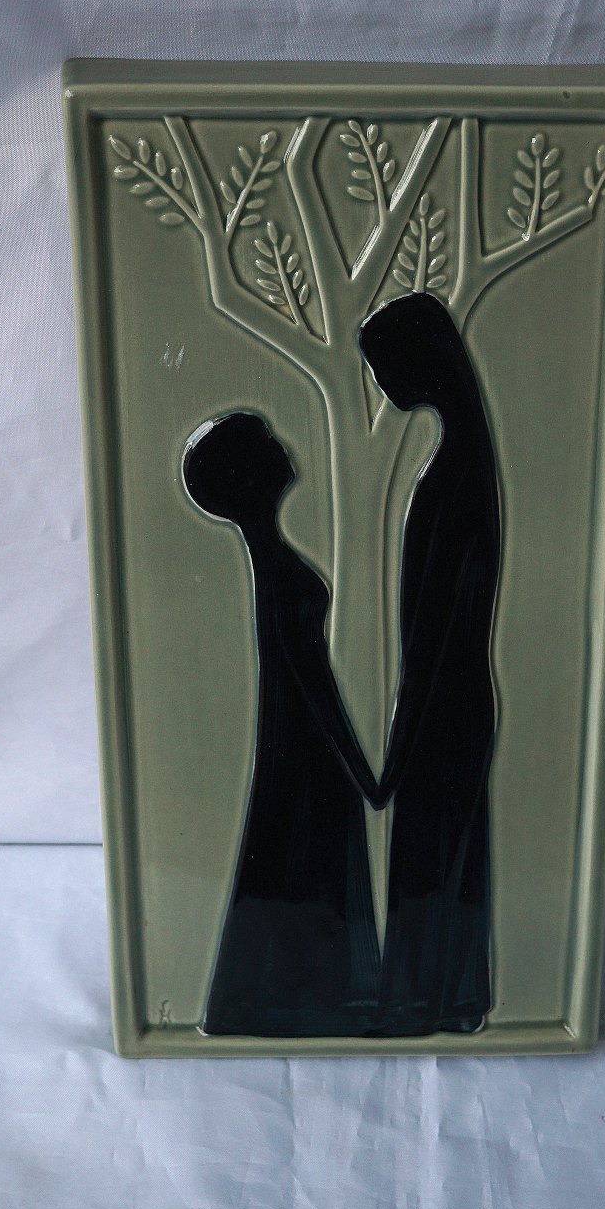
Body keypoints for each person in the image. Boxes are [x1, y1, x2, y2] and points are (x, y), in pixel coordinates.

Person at [183, 413, 382, 1037]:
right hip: (308, 749)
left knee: (294, 862)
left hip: (301, 746)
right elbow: (311, 683)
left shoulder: (272, 561)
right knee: (306, 863)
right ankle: (312, 1002)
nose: (284, 445)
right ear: (249, 476)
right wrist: (360, 770)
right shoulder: (274, 569)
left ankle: (295, 999)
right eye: (268, 442)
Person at [360, 293, 501, 1035]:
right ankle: (453, 999)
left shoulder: (448, 480)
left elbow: (431, 636)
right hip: (461, 701)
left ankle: (422, 1003)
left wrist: (398, 746)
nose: (381, 384)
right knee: (452, 853)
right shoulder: (467, 466)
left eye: (383, 367)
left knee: (432, 853)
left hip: (442, 707)